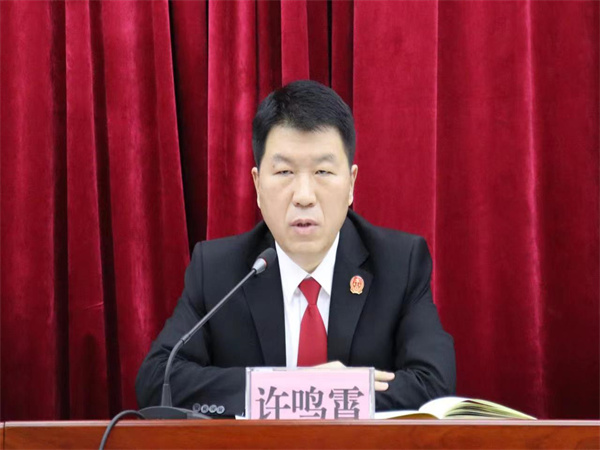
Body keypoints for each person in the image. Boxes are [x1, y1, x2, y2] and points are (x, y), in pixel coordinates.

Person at [136, 80, 455, 417]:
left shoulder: (399, 264)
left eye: (323, 171)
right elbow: (158, 380)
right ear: (258, 185)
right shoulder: (217, 270)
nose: (304, 196)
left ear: (351, 184)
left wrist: (330, 396)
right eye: (285, 171)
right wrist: (295, 389)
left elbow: (434, 384)